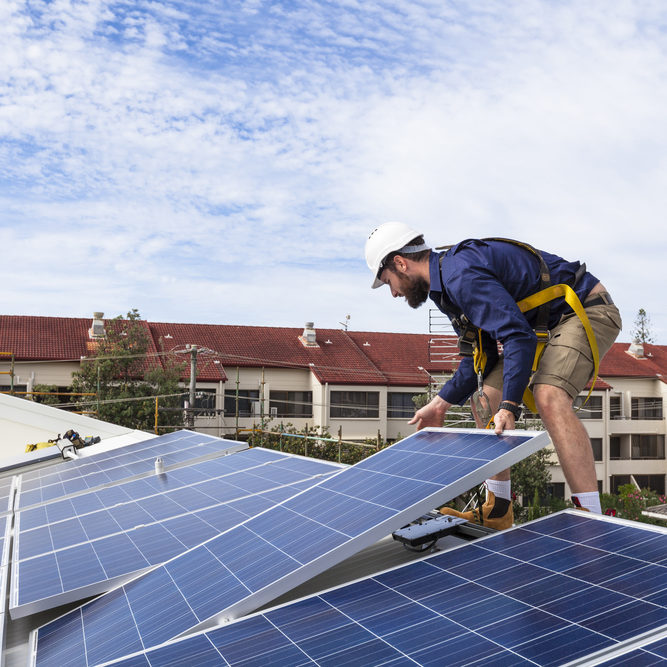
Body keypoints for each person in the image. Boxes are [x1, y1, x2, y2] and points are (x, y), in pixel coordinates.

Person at [365, 221, 622, 529]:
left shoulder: (460, 275)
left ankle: (591, 520)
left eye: (389, 281)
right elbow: (481, 357)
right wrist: (441, 404)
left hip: (584, 309)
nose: (393, 293)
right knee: (486, 399)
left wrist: (509, 407)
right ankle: (498, 511)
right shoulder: (444, 288)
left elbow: (517, 337)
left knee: (548, 395)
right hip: (539, 326)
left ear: (400, 263)